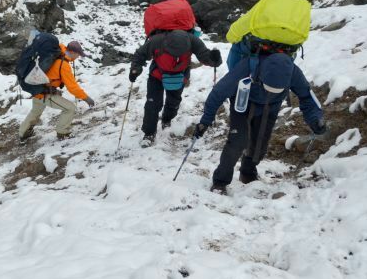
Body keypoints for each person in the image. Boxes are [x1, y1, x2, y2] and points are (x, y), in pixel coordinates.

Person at [194, 52, 326, 193]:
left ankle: (247, 173)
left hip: (270, 107)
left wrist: (315, 119)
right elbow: (218, 93)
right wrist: (205, 121)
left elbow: (307, 96)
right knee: (237, 141)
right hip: (243, 104)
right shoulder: (248, 66)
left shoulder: (291, 71)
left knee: (260, 144)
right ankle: (220, 182)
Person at [129, 30, 222, 146]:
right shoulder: (157, 40)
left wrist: (215, 59)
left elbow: (205, 56)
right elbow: (140, 54)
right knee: (152, 103)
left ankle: (167, 119)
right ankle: (149, 134)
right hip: (157, 74)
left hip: (180, 74)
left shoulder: (193, 40)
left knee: (173, 102)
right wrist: (135, 69)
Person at [19, 41, 94, 141]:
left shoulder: (56, 54)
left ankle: (23, 133)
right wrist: (86, 98)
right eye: (78, 55)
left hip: (37, 88)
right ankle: (62, 132)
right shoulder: (64, 65)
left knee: (35, 112)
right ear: (73, 52)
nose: (77, 57)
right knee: (70, 108)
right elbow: (72, 87)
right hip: (44, 93)